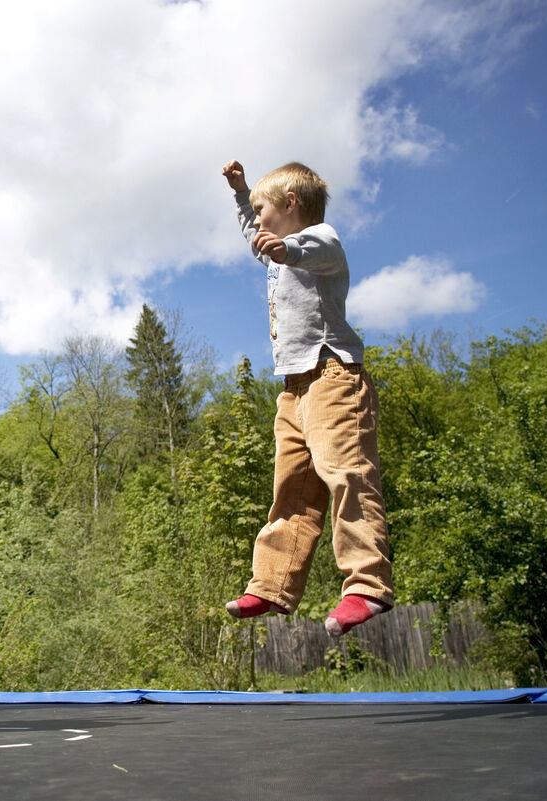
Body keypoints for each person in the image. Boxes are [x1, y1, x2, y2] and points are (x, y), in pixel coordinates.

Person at [220, 159, 393, 636]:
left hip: (333, 376)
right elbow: (255, 234)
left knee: (346, 474)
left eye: (261, 210)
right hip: (292, 390)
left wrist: (285, 248)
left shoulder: (322, 242)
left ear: (291, 204)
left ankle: (367, 585)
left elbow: (310, 248)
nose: (256, 222)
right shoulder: (273, 247)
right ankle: (272, 585)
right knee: (292, 488)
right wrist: (241, 192)